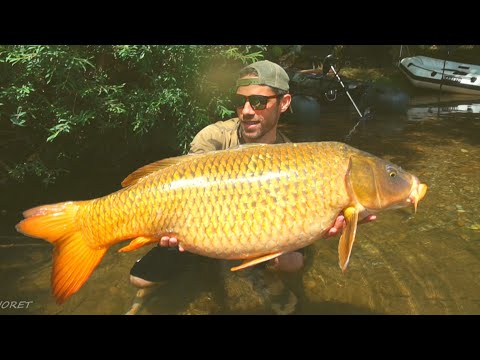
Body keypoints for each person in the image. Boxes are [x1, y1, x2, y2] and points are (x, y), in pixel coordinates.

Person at [127, 60, 375, 313]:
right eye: (240, 101)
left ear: (284, 103)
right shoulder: (212, 137)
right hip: (197, 225)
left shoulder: (296, 159)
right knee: (139, 279)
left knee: (292, 264)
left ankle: (248, 268)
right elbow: (183, 184)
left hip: (254, 230)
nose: (246, 110)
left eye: (258, 102)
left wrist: (322, 224)